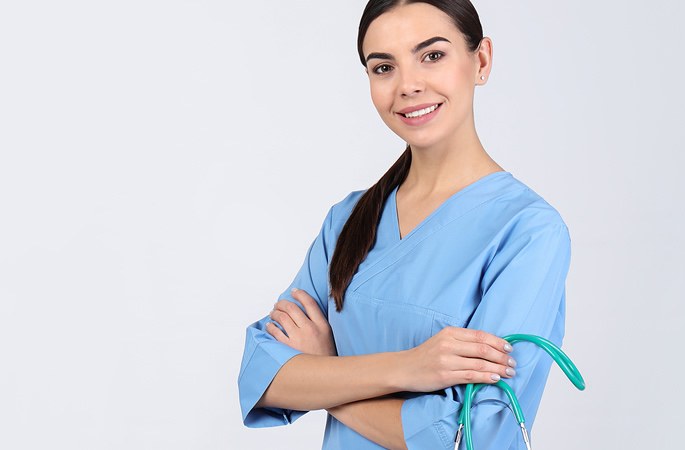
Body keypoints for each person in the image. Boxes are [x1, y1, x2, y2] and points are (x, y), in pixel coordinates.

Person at [237, 1, 572, 448]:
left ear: (482, 60)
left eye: (432, 55)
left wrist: (327, 378)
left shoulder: (527, 232)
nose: (408, 85)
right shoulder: (348, 221)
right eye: (383, 67)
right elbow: (263, 374)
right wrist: (409, 367)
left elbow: (471, 433)